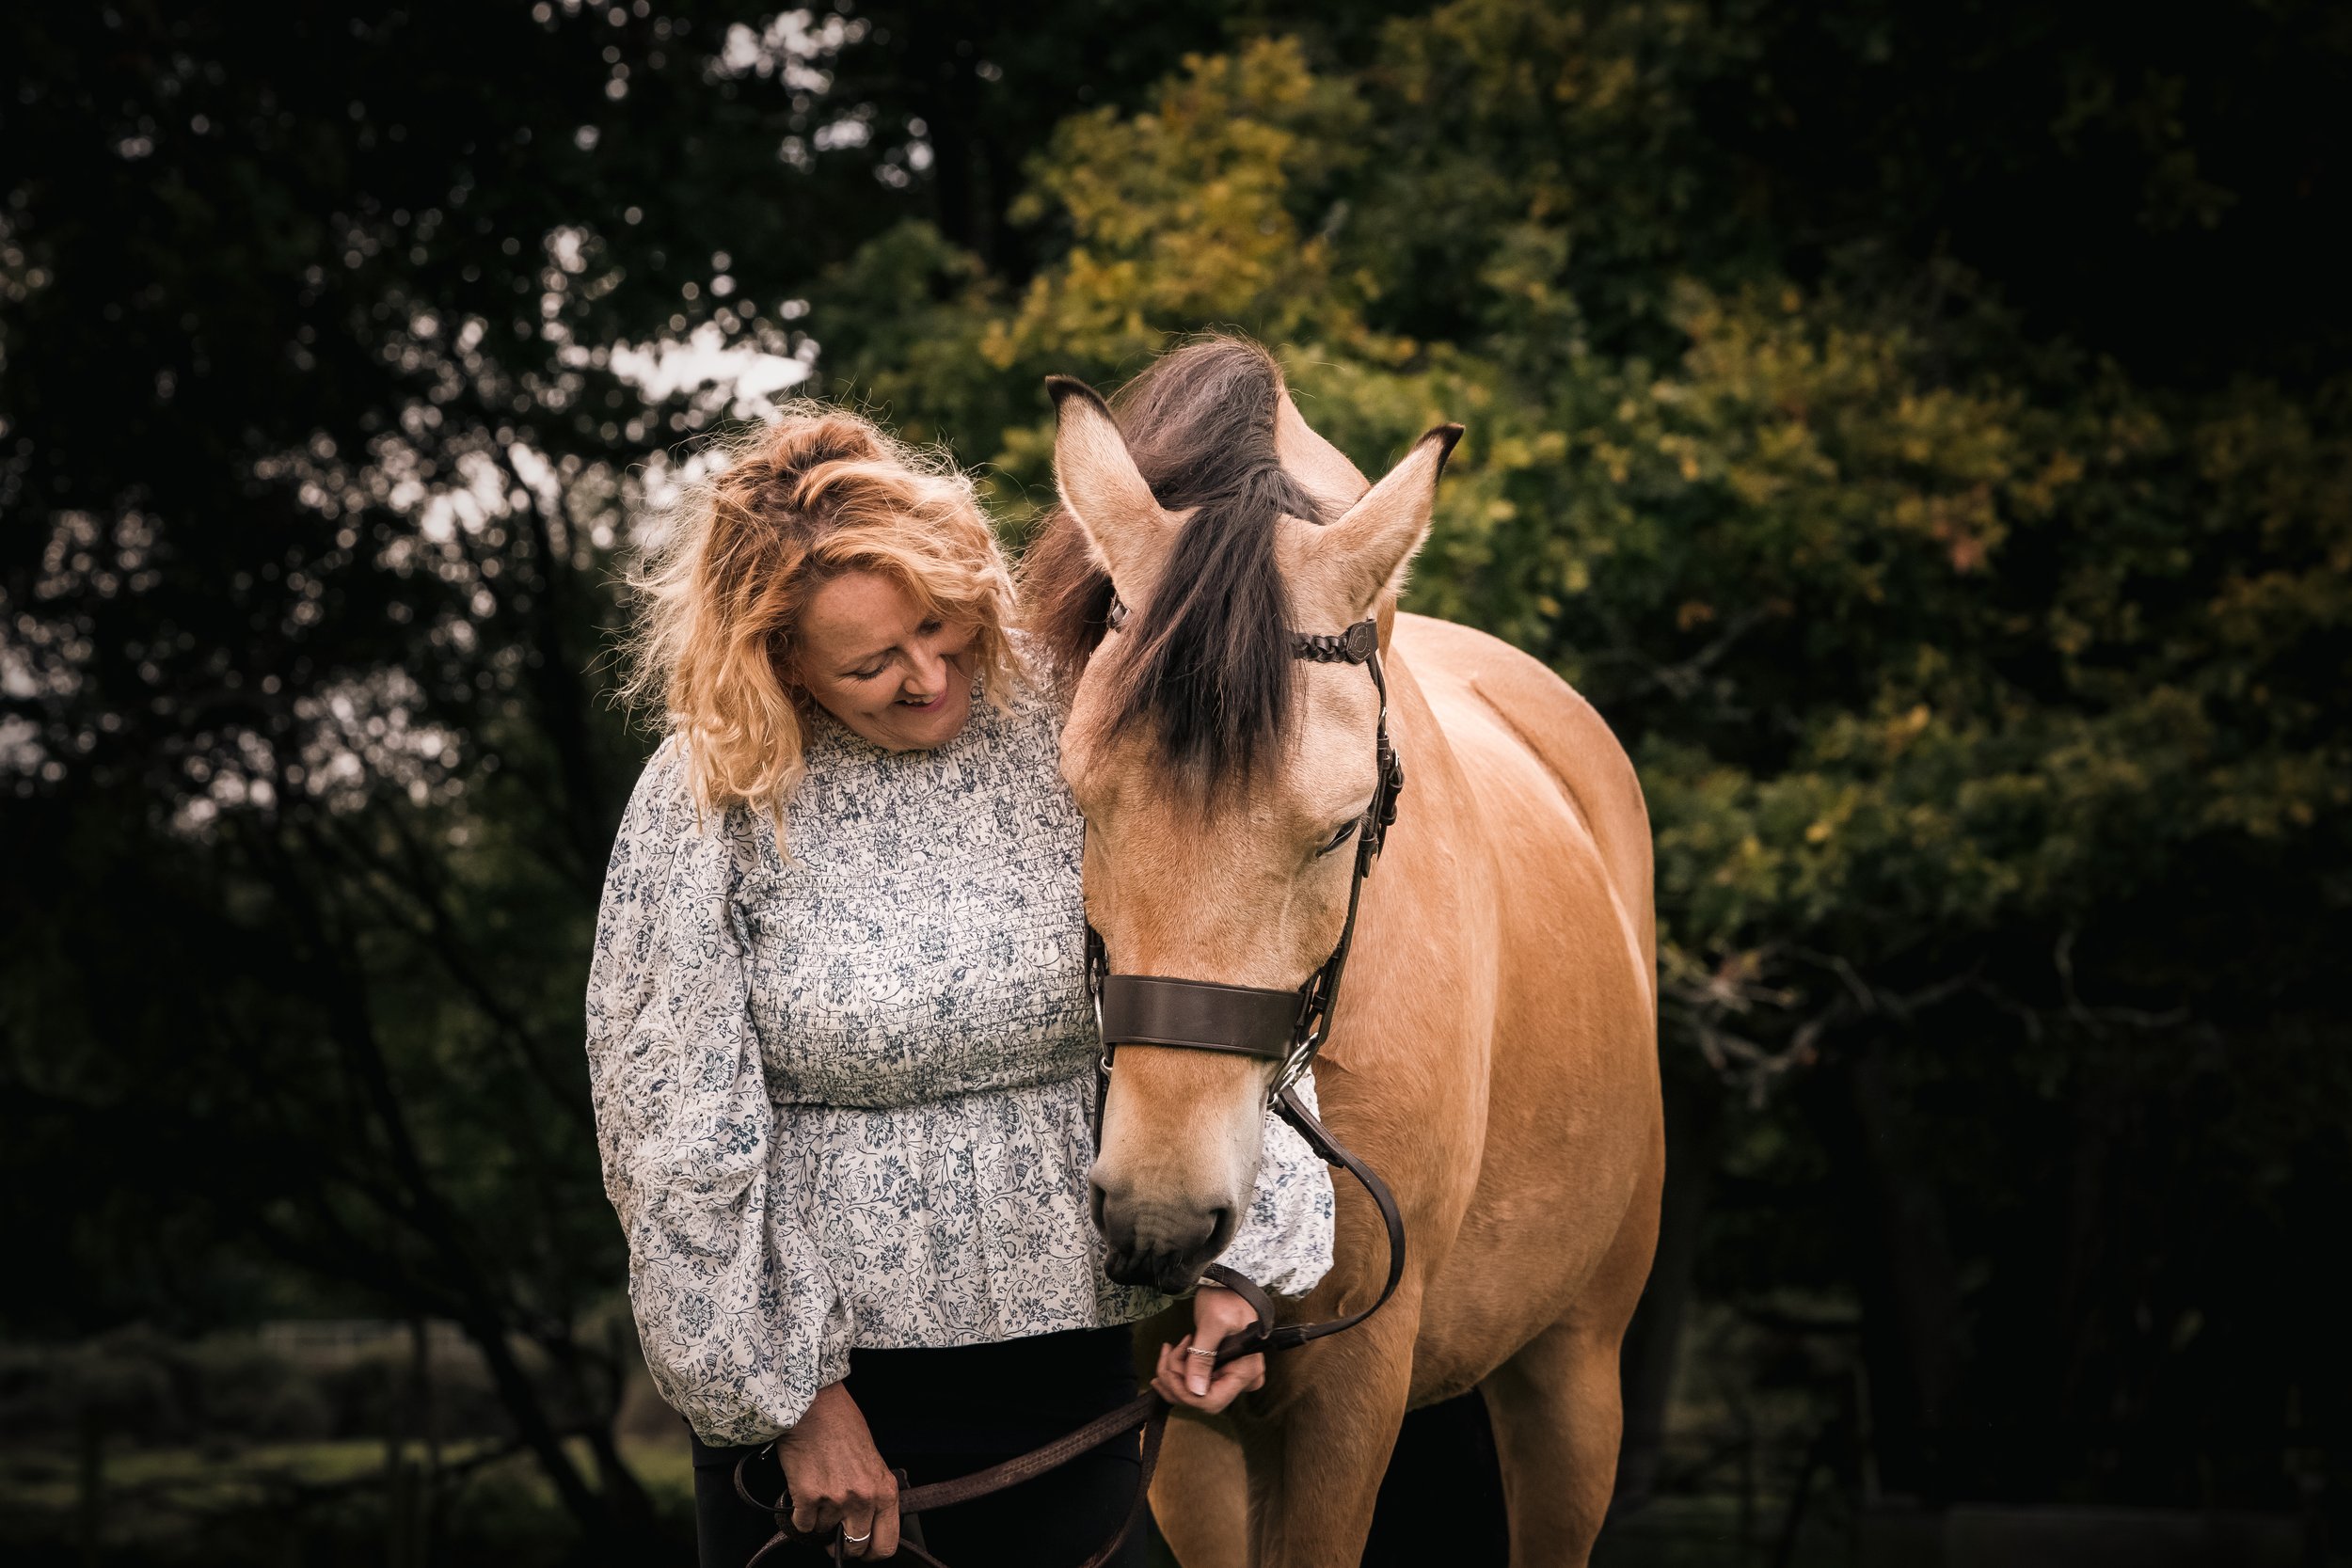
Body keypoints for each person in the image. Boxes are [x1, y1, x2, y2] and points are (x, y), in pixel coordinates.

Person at [586, 406, 1335, 1567]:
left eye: (939, 624)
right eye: (870, 662)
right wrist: (795, 1404)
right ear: (780, 658)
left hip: (1072, 1384)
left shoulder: (1081, 720)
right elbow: (673, 1135)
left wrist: (1246, 1266)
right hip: (822, 1406)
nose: (927, 675)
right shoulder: (708, 797)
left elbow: (1222, 961)